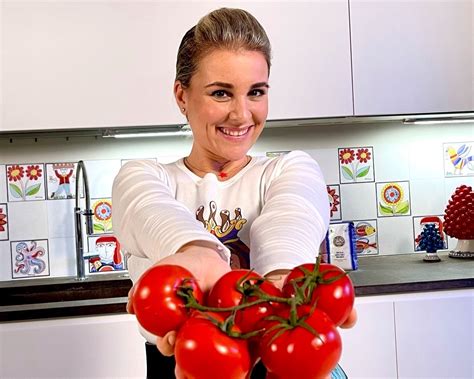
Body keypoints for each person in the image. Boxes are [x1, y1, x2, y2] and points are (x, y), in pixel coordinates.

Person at [112, 7, 357, 379]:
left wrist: (281, 278)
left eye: (256, 92)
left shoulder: (287, 168)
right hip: (187, 362)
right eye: (221, 93)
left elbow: (292, 214)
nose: (242, 114)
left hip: (287, 353)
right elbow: (147, 207)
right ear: (182, 96)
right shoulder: (145, 176)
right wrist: (197, 252)